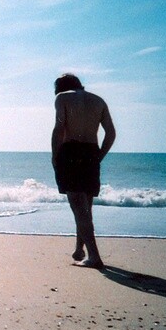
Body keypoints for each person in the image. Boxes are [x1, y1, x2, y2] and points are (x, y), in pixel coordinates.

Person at [51, 73, 116, 269]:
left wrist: (55, 156)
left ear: (60, 87)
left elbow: (59, 129)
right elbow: (111, 133)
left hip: (70, 151)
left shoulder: (62, 98)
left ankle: (94, 256)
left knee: (78, 208)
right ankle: (80, 250)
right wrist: (99, 156)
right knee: (86, 208)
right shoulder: (99, 101)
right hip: (91, 152)